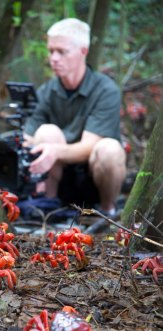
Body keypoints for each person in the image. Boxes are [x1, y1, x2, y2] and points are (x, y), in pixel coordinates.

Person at [22, 18, 127, 217]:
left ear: (83, 52)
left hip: (95, 181)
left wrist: (54, 151)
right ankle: (48, 210)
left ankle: (107, 215)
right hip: (59, 181)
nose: (53, 58)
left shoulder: (106, 90)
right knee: (46, 132)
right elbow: (28, 137)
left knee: (110, 149)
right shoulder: (47, 91)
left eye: (62, 52)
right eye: (51, 51)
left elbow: (89, 147)